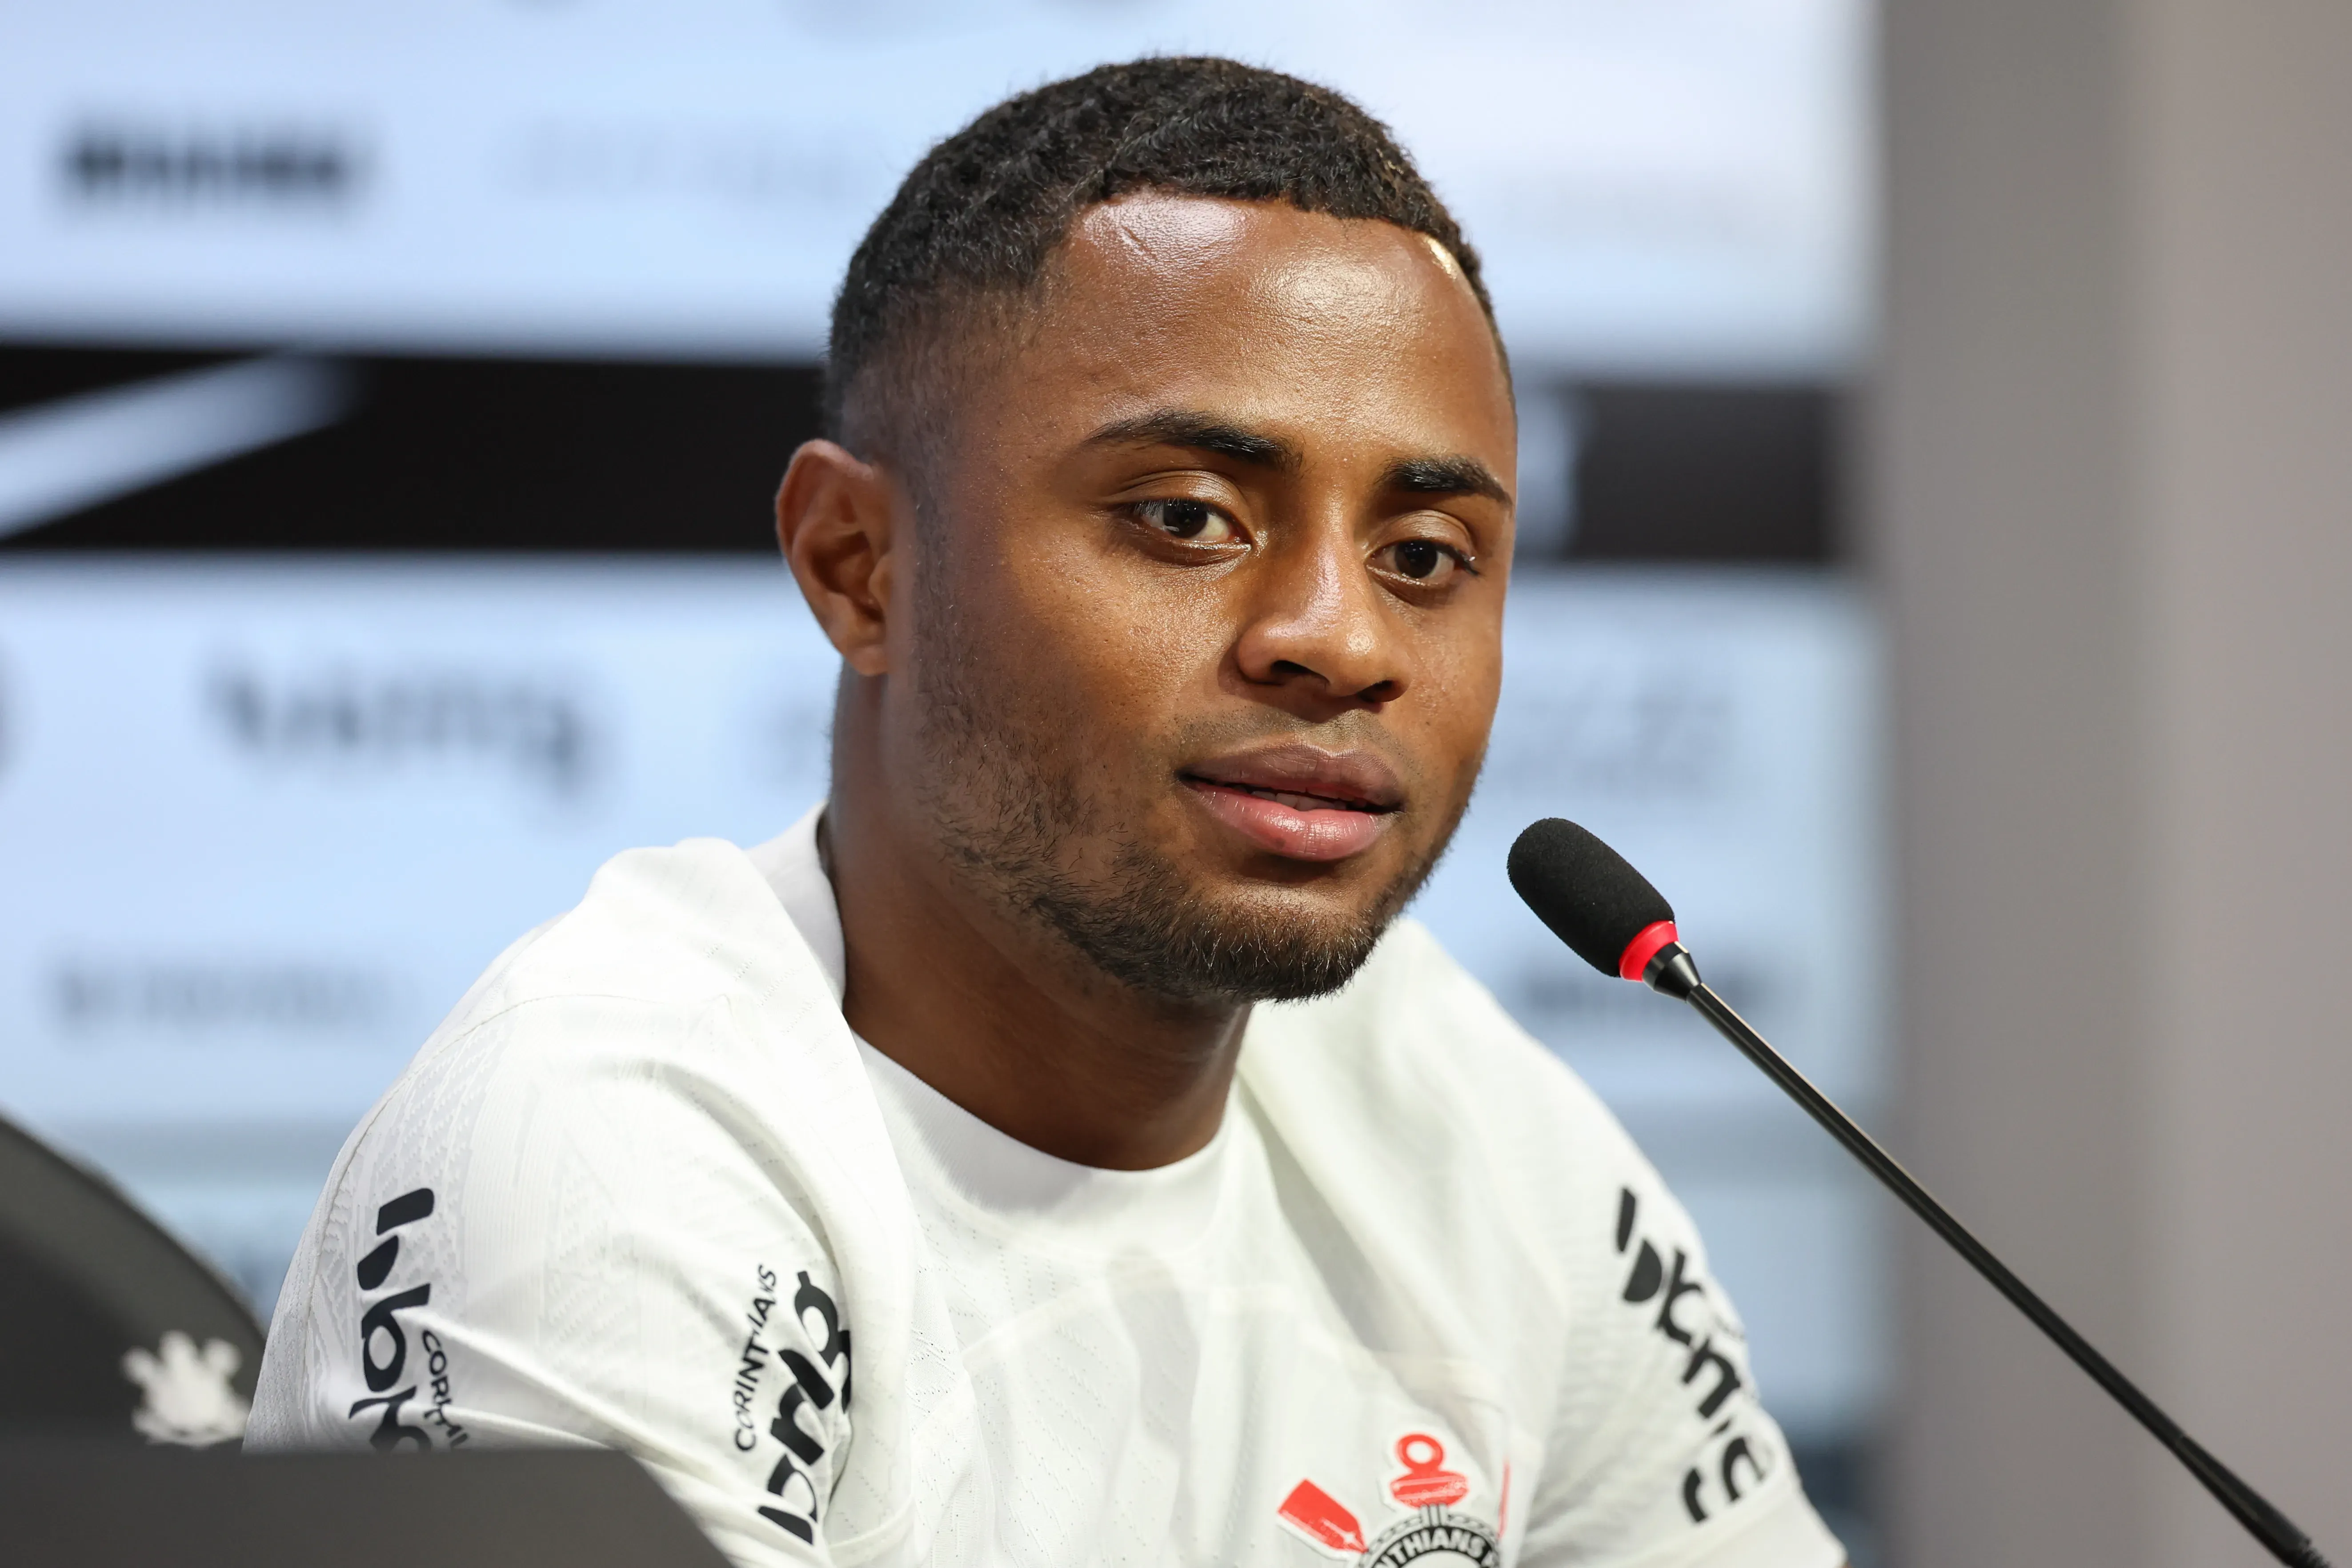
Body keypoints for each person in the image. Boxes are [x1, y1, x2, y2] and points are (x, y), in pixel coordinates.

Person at [249, 57, 1845, 1568]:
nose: (1340, 639)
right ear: (857, 566)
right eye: (1186, 517)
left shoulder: (1466, 1122)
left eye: (1425, 555)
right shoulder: (598, 1149)